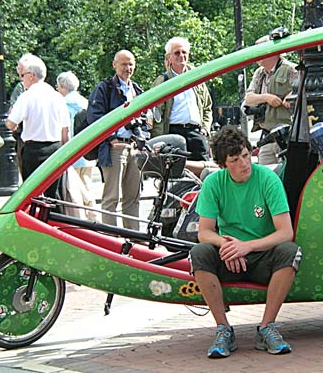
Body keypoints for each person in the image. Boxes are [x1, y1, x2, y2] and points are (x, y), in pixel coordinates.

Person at [189, 126, 302, 358]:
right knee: (199, 253)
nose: (244, 164)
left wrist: (247, 246)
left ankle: (267, 326)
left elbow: (285, 232)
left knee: (290, 252)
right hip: (230, 256)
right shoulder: (213, 183)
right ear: (222, 164)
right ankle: (223, 329)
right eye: (235, 160)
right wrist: (228, 246)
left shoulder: (268, 179)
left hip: (261, 255)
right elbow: (205, 232)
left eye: (246, 155)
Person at [87, 50, 146, 229]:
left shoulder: (137, 89)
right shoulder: (105, 88)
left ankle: (133, 237)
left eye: (131, 64)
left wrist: (143, 138)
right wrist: (111, 138)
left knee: (133, 196)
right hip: (114, 147)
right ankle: (111, 238)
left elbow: (145, 118)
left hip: (134, 147)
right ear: (114, 65)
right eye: (123, 64)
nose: (128, 68)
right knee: (111, 197)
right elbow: (95, 117)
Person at [6, 54, 70, 199]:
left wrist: (11, 121)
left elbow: (11, 124)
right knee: (54, 194)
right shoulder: (57, 97)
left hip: (33, 150)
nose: (21, 80)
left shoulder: (26, 96)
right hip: (55, 148)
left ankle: (35, 220)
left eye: (22, 76)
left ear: (31, 76)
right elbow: (65, 130)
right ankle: (54, 221)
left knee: (32, 194)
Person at [151, 37, 212, 161]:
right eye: (177, 53)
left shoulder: (197, 79)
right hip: (172, 133)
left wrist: (205, 129)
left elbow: (207, 107)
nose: (181, 56)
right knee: (174, 174)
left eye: (184, 52)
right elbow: (156, 113)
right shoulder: (163, 81)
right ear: (169, 57)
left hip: (196, 133)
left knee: (204, 171)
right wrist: (159, 140)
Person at [244, 35, 298, 165]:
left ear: (271, 52)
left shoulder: (291, 69)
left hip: (287, 136)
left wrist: (291, 96)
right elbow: (248, 99)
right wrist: (267, 98)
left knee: (287, 173)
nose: (256, 56)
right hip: (267, 136)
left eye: (259, 51)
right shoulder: (259, 73)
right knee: (266, 175)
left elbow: (302, 90)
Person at [56, 71, 98, 220]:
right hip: (87, 151)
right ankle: (92, 215)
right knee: (87, 184)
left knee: (76, 189)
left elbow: (64, 130)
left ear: (62, 87)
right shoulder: (85, 101)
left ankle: (85, 218)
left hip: (72, 152)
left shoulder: (63, 104)